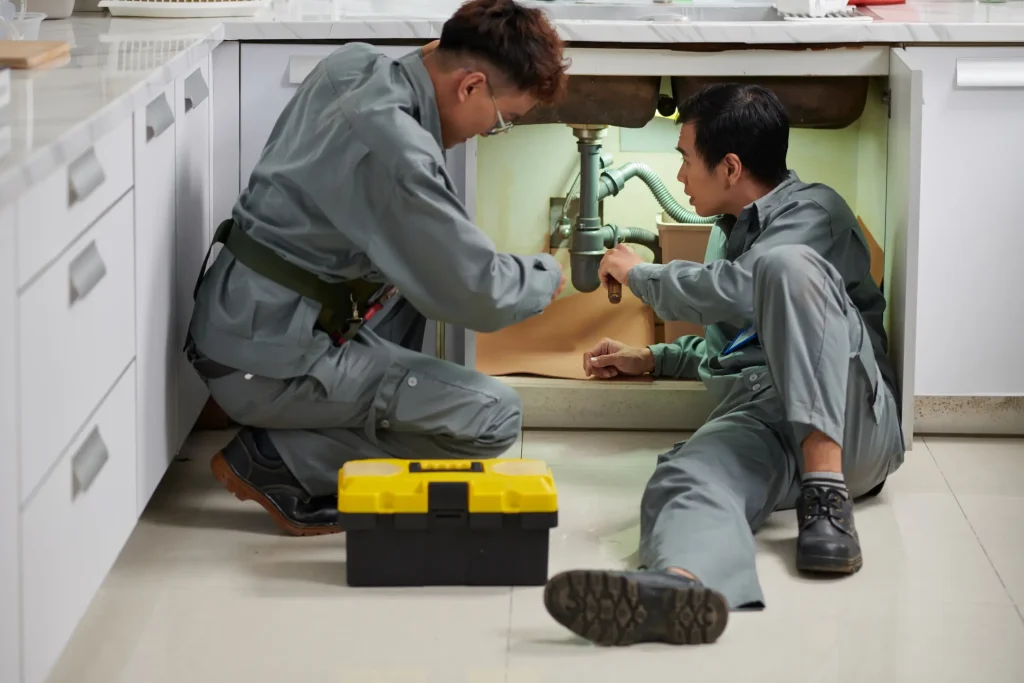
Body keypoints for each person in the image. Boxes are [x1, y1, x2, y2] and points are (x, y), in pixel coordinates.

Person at [185, 0, 568, 536]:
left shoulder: (354, 65)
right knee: (494, 416)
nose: (492, 129)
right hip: (266, 358)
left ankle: (323, 414)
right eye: (503, 120)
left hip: (237, 317)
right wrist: (547, 275)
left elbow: (440, 257)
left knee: (416, 276)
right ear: (471, 86)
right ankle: (285, 459)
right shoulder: (397, 153)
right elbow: (478, 293)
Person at [542, 84, 905, 647]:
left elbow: (741, 292)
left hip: (850, 422)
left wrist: (640, 274)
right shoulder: (725, 236)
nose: (681, 174)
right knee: (687, 473)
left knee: (784, 268)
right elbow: (736, 347)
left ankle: (826, 498)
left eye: (686, 157)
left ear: (730, 166)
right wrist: (656, 359)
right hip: (764, 417)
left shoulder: (816, 212)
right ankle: (681, 584)